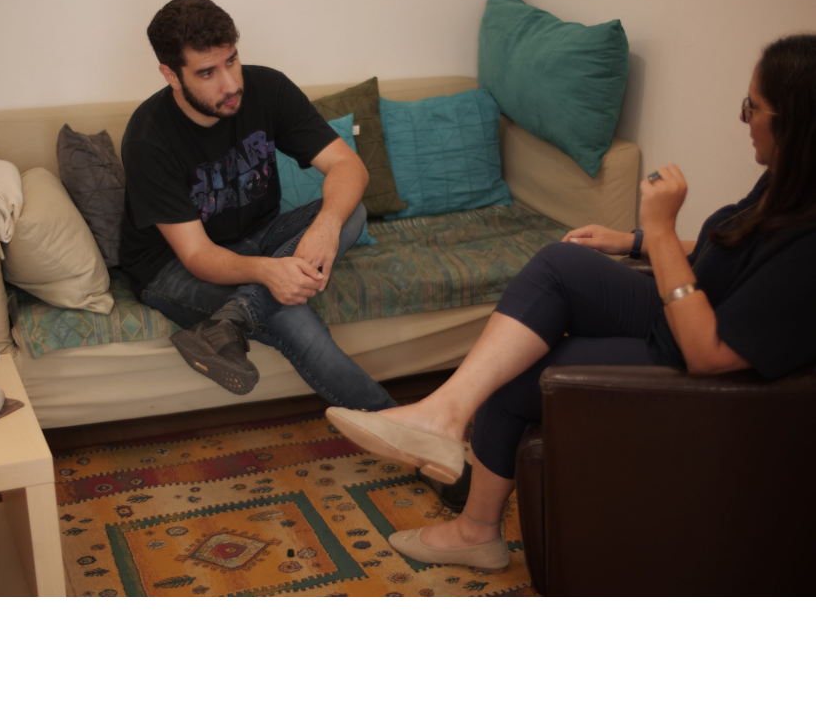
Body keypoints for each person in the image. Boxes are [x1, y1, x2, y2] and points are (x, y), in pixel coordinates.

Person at [328, 34, 816, 572]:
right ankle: (442, 415)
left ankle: (475, 531)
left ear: (794, 123)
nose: (743, 119)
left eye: (753, 107)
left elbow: (707, 353)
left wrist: (659, 229)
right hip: (684, 311)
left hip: (695, 360)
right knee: (559, 265)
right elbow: (731, 246)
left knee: (516, 376)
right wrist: (632, 239)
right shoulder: (788, 182)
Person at [120, 0, 395, 410]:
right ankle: (397, 426)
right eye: (207, 72)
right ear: (171, 75)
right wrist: (270, 272)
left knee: (348, 210)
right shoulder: (148, 139)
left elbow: (347, 165)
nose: (230, 85)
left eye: (231, 60)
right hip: (170, 267)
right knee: (288, 313)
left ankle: (233, 319)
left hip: (258, 235)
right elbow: (196, 254)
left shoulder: (268, 89)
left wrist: (326, 227)